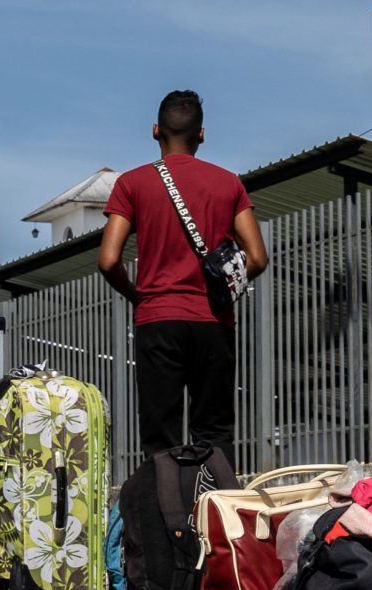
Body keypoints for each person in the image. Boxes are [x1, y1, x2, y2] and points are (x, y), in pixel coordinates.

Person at [97, 90, 269, 459]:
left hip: (157, 320)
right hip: (213, 322)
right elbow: (257, 257)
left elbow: (109, 260)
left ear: (155, 131)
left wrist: (137, 295)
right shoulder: (228, 184)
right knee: (215, 431)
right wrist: (224, 291)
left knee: (161, 437)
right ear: (201, 135)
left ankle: (166, 515)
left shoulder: (132, 184)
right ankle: (215, 511)